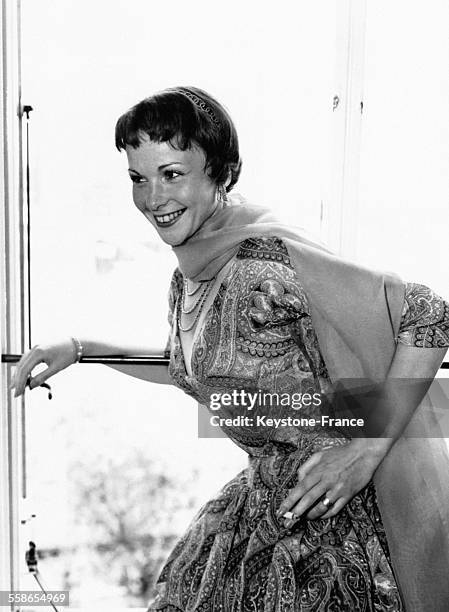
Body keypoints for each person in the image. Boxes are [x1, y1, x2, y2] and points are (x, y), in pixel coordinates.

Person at [10, 86, 449, 611]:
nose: (153, 198)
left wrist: (364, 450)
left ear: (219, 171)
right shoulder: (193, 273)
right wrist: (82, 348)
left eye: (172, 173)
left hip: (334, 518)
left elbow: (429, 313)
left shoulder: (262, 265)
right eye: (138, 177)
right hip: (264, 500)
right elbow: (194, 368)